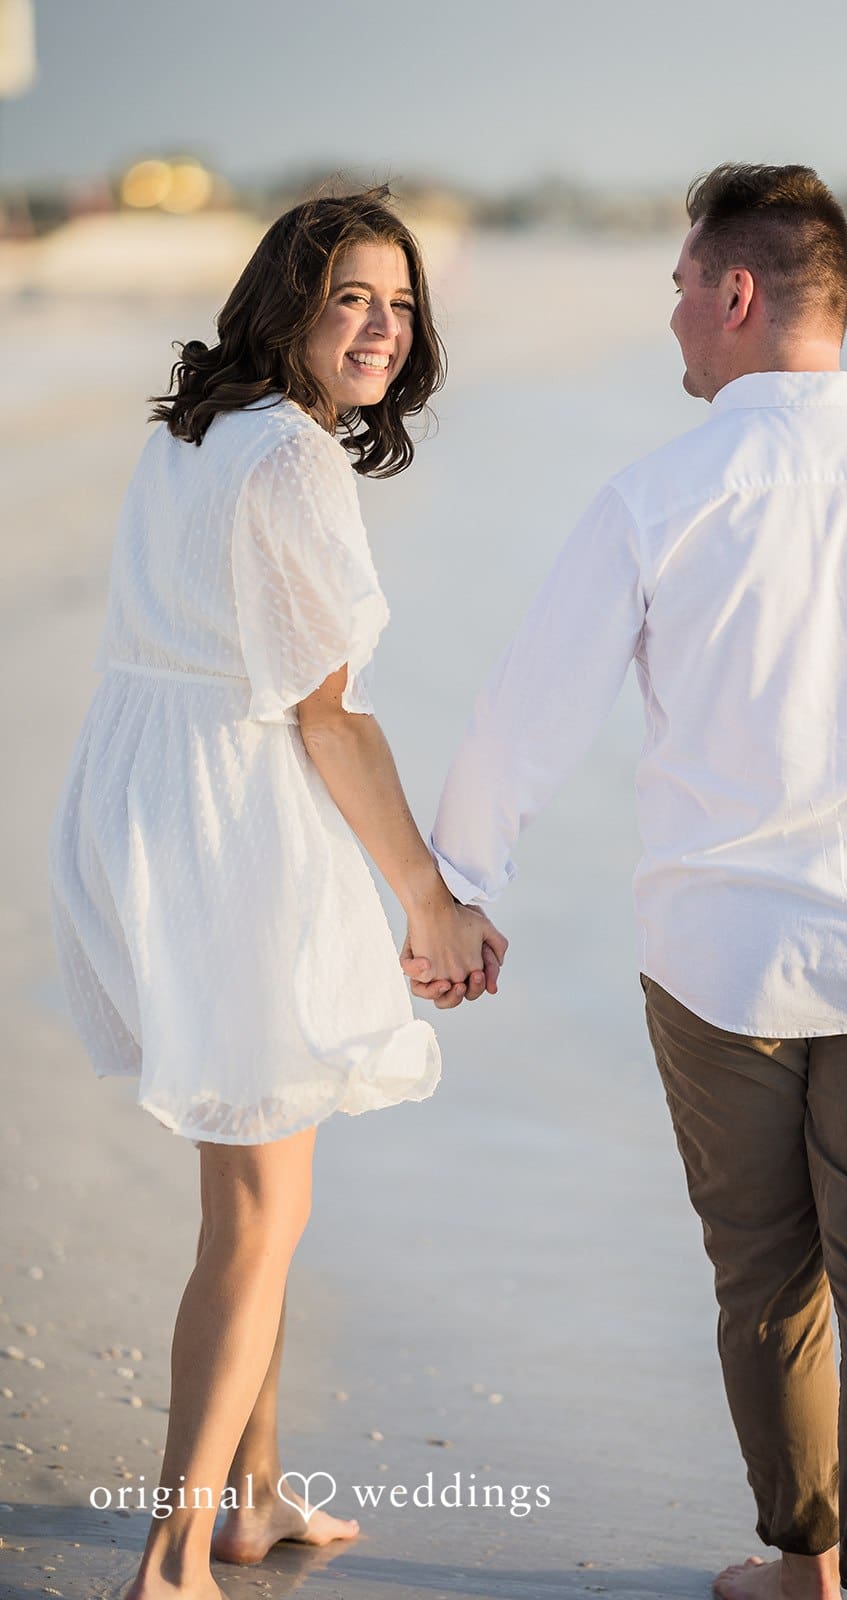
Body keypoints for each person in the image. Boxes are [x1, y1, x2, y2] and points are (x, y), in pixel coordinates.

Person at [411, 165, 847, 1599]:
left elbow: (524, 715)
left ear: (738, 294)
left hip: (721, 963)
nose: (674, 313)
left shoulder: (662, 495)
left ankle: (800, 1566)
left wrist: (456, 890)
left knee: (765, 1275)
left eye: (684, 284)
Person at [48, 187, 506, 1600]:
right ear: (290, 306)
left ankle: (252, 1496)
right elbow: (329, 719)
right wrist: (428, 896)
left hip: (142, 793)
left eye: (400, 301)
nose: (380, 326)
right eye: (351, 297)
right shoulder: (295, 466)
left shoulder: (194, 434)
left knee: (252, 1178)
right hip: (230, 820)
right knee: (259, 1211)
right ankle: (175, 1558)